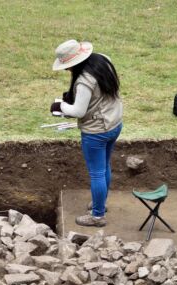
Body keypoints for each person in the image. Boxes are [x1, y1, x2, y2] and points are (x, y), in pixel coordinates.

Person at [51, 39, 123, 228]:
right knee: (105, 166)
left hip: (96, 132)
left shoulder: (84, 81)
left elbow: (79, 111)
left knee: (97, 173)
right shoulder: (103, 61)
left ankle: (97, 216)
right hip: (115, 124)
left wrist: (60, 105)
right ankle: (101, 202)